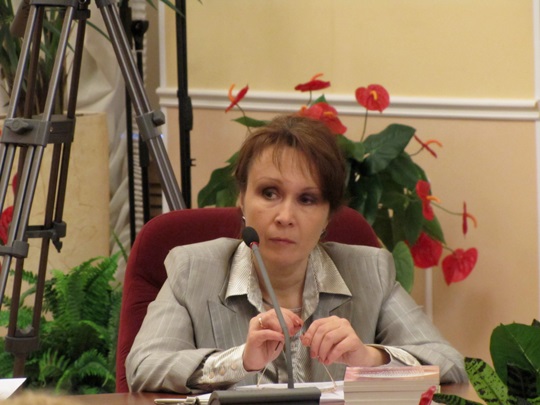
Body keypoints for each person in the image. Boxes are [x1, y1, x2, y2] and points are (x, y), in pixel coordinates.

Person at [126, 114, 468, 394]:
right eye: (269, 192)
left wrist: (368, 358)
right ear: (241, 198)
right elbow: (144, 366)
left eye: (307, 199)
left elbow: (448, 363)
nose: (285, 216)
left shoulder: (370, 272)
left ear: (328, 216)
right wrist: (239, 361)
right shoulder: (193, 269)